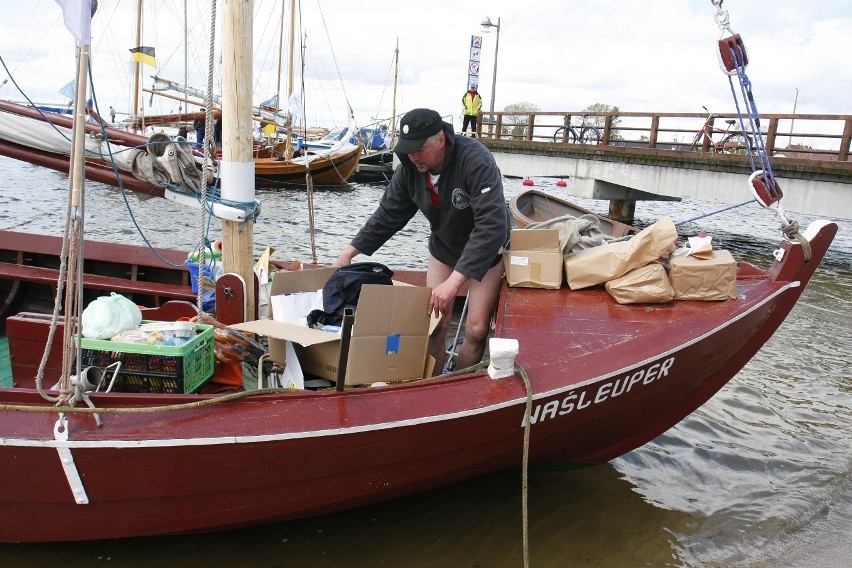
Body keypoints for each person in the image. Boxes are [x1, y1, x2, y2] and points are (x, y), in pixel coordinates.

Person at [333, 108, 508, 373]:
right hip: (444, 245)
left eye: (420, 149)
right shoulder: (410, 168)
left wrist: (454, 283)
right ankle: (432, 384)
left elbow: (491, 225)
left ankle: (458, 386)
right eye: (408, 150)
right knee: (435, 324)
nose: (413, 157)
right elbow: (388, 213)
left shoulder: (475, 160)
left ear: (440, 139)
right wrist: (350, 252)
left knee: (476, 329)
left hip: (486, 249)